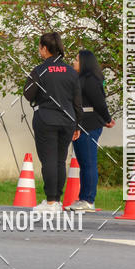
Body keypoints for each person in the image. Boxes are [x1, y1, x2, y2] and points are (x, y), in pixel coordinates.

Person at [23, 32, 82, 214]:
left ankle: (50, 202)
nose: (39, 50)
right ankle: (56, 200)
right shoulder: (71, 72)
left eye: (39, 46)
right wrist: (78, 125)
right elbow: (77, 101)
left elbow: (28, 94)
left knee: (48, 160)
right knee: (60, 160)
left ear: (45, 48)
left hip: (46, 118)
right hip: (68, 120)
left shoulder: (40, 70)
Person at [66, 49, 115, 212]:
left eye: (77, 59)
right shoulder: (79, 79)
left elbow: (99, 103)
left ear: (85, 62)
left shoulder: (91, 80)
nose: (74, 62)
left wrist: (107, 119)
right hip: (80, 124)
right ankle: (83, 198)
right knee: (83, 163)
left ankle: (88, 199)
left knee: (88, 163)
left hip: (89, 125)